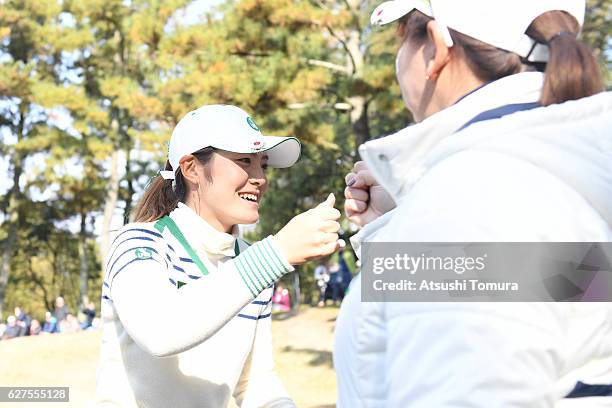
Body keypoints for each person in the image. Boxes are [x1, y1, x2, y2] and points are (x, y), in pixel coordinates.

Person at [335, 0, 612, 406]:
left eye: (402, 39)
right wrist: (392, 228)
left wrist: (427, 219)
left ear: (436, 46)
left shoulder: (467, 199)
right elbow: (560, 299)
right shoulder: (561, 168)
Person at [95, 105, 341, 407]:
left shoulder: (252, 261)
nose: (260, 178)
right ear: (191, 169)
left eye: (262, 164)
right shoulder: (138, 242)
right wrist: (277, 253)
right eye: (244, 161)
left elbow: (255, 381)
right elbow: (159, 331)